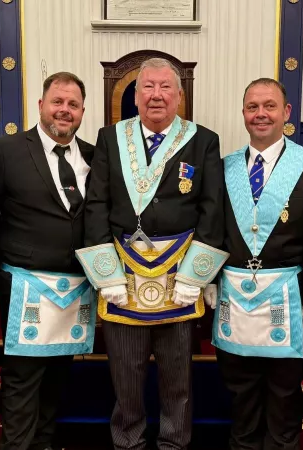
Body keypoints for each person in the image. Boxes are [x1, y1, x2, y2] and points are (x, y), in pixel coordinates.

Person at [75, 57, 228, 450]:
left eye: (165, 87)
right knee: (125, 373)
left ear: (179, 96)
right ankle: (128, 442)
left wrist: (198, 276)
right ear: (136, 94)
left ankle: (175, 443)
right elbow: (96, 205)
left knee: (178, 375)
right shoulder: (111, 138)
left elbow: (212, 209)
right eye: (148, 87)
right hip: (122, 274)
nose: (156, 95)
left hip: (179, 273)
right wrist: (104, 273)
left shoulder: (202, 139)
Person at [207, 78, 303, 449]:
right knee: (240, 390)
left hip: (290, 298)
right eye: (252, 107)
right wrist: (209, 282)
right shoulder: (224, 168)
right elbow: (214, 232)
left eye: (269, 106)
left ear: (286, 112)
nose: (260, 114)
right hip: (234, 297)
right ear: (243, 113)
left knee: (284, 392)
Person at [0, 72, 96, 450]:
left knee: (58, 375)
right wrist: (4, 273)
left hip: (75, 287)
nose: (65, 111)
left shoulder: (94, 155)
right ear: (41, 105)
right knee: (22, 378)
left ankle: (44, 443)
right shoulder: (5, 150)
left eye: (73, 105)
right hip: (25, 284)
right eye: (58, 102)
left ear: (82, 112)